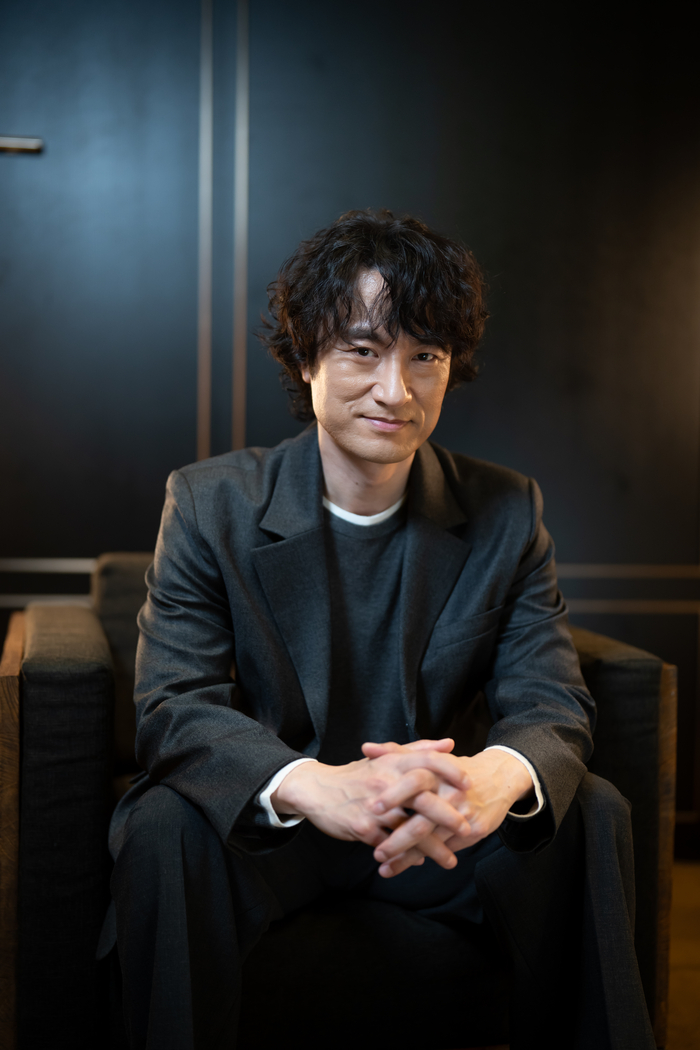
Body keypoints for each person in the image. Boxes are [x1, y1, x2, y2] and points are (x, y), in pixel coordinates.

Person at [105, 210, 656, 1049]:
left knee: (592, 811)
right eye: (363, 351)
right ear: (305, 357)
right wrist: (314, 786)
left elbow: (551, 702)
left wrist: (489, 780)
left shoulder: (507, 511)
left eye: (424, 356)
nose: (396, 391)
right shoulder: (211, 503)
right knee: (161, 826)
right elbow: (174, 704)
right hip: (282, 831)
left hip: (438, 834)